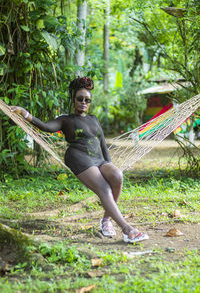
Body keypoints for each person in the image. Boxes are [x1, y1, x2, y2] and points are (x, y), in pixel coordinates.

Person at [10, 76, 149, 243]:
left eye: (87, 100)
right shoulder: (66, 120)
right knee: (104, 188)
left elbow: (103, 144)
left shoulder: (93, 119)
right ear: (73, 99)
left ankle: (106, 221)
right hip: (78, 157)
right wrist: (25, 113)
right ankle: (127, 229)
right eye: (80, 98)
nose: (84, 102)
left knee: (117, 176)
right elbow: (46, 127)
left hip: (99, 159)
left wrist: (109, 163)